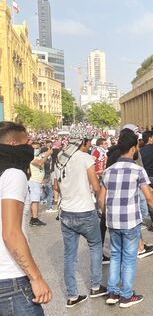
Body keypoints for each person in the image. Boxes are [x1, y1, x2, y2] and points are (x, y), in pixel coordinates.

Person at [98, 132, 153, 308]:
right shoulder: (137, 170)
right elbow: (149, 197)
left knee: (115, 256)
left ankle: (112, 292)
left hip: (112, 221)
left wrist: (107, 213)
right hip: (130, 221)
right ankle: (126, 295)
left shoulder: (108, 171)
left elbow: (101, 198)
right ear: (133, 148)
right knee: (128, 258)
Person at [0, 121, 52, 315]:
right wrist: (36, 278)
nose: (30, 145)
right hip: (10, 282)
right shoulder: (13, 174)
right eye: (26, 141)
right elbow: (11, 233)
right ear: (13, 144)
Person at [54, 137, 108, 308]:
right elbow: (96, 185)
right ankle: (95, 286)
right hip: (85, 210)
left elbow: (56, 187)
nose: (89, 147)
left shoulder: (60, 158)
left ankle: (72, 295)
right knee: (95, 245)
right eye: (88, 144)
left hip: (66, 213)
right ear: (82, 143)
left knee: (69, 255)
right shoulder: (85, 158)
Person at [28, 142, 52, 226]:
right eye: (34, 148)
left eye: (37, 148)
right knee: (35, 200)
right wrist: (47, 155)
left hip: (37, 181)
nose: (36, 150)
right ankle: (34, 219)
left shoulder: (37, 156)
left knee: (36, 200)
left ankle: (34, 218)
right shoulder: (31, 158)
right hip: (34, 181)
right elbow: (39, 163)